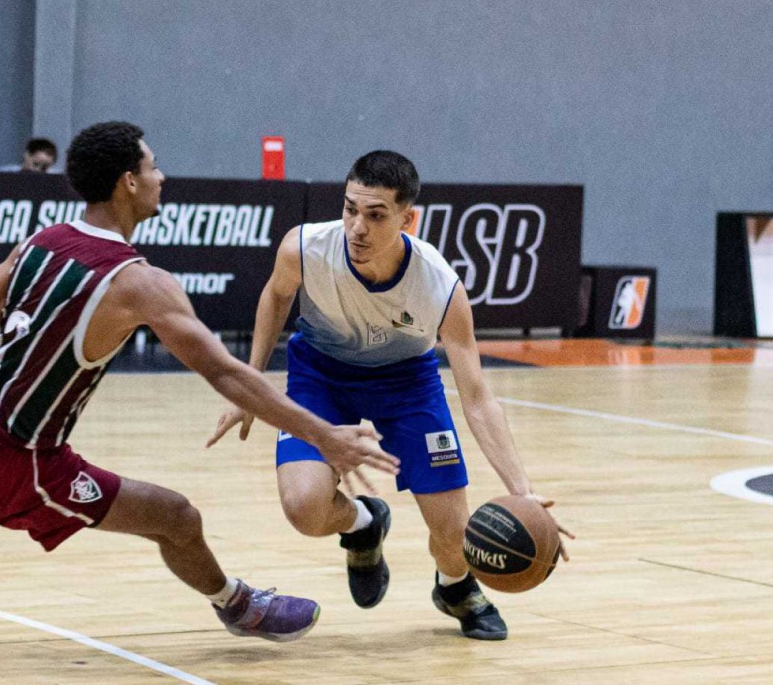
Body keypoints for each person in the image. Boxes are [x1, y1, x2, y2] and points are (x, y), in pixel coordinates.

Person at [0, 122, 399, 649]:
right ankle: (237, 605)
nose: (161, 177)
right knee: (176, 517)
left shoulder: (43, 241)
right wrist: (326, 438)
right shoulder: (139, 282)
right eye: (153, 167)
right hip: (25, 455)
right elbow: (226, 373)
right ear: (128, 181)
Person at [211, 150, 574, 641]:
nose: (357, 227)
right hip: (322, 376)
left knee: (453, 534)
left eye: (375, 215)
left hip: (406, 383)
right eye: (349, 209)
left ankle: (454, 587)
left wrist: (520, 487)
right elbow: (276, 296)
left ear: (409, 219)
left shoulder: (439, 284)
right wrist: (247, 385)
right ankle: (362, 523)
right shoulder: (306, 248)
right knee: (304, 508)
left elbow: (478, 397)